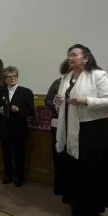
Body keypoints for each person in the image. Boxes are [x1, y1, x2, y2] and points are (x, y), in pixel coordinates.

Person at [55, 44, 108, 216]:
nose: (70, 58)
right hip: (71, 127)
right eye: (69, 55)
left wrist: (86, 101)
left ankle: (92, 212)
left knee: (91, 172)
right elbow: (64, 101)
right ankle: (79, 205)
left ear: (86, 58)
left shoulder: (98, 75)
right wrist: (59, 101)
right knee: (75, 169)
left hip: (93, 130)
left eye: (74, 54)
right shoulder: (66, 77)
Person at [0, 66, 35, 187]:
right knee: (6, 154)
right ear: (5, 79)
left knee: (19, 154)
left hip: (19, 128)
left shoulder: (26, 92)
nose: (12, 78)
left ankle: (19, 177)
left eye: (14, 76)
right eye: (9, 76)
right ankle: (7, 175)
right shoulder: (0, 92)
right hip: (4, 128)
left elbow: (30, 110)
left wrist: (19, 110)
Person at [44, 59, 70, 200]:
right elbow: (47, 100)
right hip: (57, 123)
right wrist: (55, 104)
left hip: (74, 125)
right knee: (58, 156)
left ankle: (70, 190)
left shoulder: (82, 84)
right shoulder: (57, 82)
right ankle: (59, 186)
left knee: (70, 157)